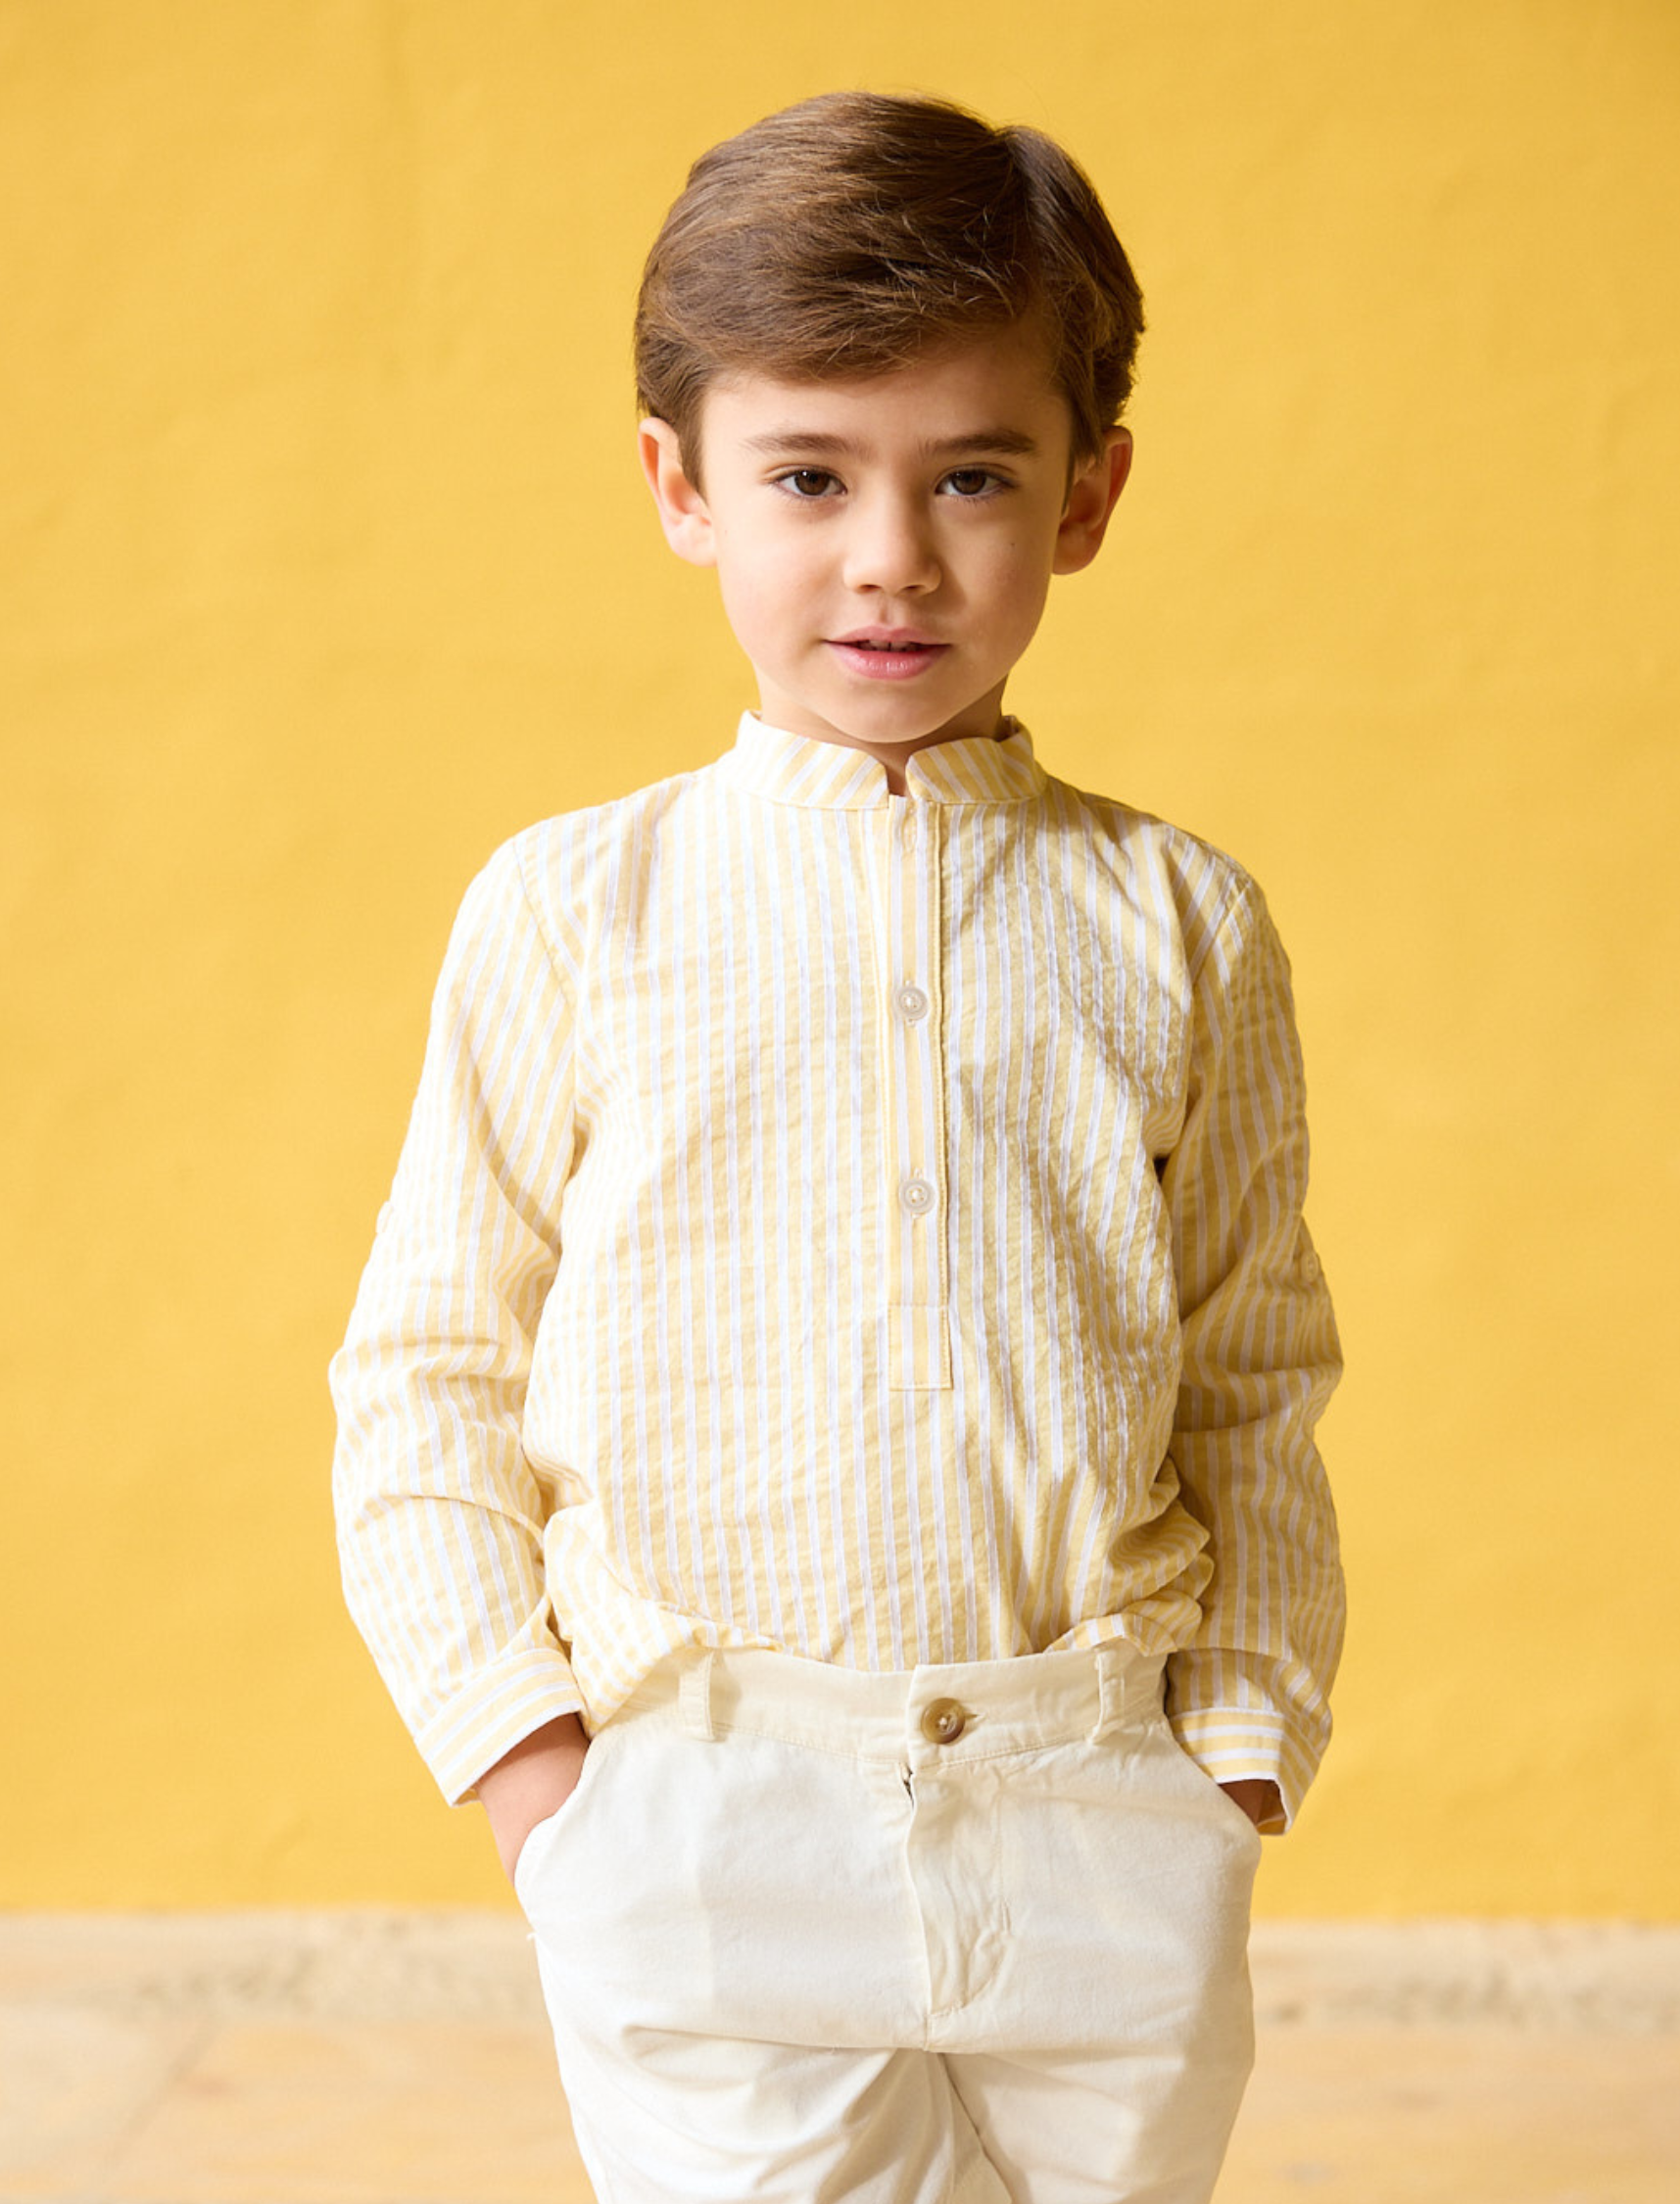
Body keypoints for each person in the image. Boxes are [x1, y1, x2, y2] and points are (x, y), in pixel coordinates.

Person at [331, 88, 1343, 2204]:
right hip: (702, 1824)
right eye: (809, 475)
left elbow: (1254, 1369)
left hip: (1106, 1818)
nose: (890, 554)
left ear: (1087, 495)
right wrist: (542, 1778)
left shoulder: (1184, 922)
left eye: (973, 474)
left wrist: (1235, 1753)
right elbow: (427, 1374)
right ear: (680, 486)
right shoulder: (568, 910)